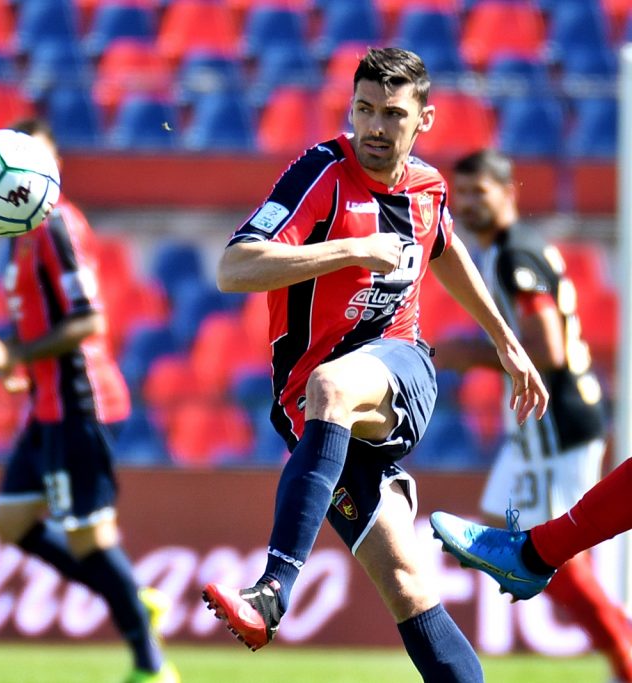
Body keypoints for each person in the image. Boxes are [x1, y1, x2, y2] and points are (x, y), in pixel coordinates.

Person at [200, 47, 548, 683]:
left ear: (424, 120)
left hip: (398, 366)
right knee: (408, 588)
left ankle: (272, 590)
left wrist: (505, 340)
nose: (375, 128)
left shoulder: (426, 186)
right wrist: (351, 250)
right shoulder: (319, 175)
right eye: (364, 110)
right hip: (312, 414)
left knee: (332, 384)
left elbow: (444, 247)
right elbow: (234, 267)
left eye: (392, 114)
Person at [0, 118, 178, 683]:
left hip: (81, 403)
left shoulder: (57, 223)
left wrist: (15, 354)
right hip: (47, 404)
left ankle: (151, 667)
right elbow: (44, 323)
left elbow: (87, 321)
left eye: (37, 159)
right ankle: (129, 594)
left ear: (53, 166)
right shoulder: (20, 234)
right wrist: (17, 366)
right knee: (11, 522)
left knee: (88, 537)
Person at [430, 150, 632, 682]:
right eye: (461, 193)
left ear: (508, 192)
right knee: (537, 545)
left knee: (552, 556)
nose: (468, 204)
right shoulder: (512, 249)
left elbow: (548, 349)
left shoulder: (514, 254)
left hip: (555, 423)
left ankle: (625, 656)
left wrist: (471, 354)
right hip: (552, 423)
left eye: (480, 192)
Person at [432, 455, 632, 600]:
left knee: (569, 560)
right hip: (527, 433)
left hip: (563, 433)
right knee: (495, 515)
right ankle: (536, 554)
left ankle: (535, 554)